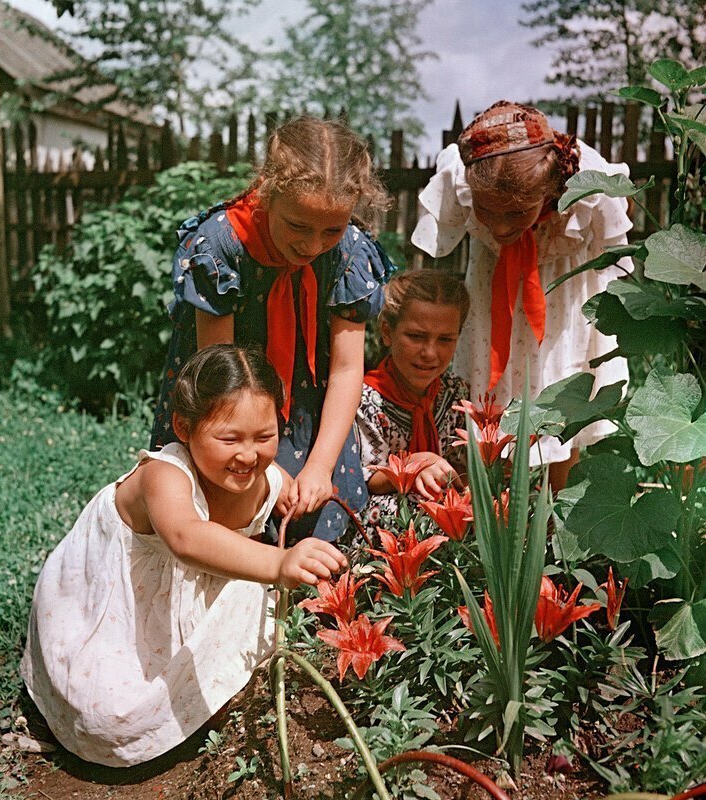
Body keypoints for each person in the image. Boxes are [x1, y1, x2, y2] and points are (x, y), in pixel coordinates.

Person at [20, 345, 347, 767]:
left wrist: (304, 494)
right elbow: (187, 538)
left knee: (269, 609)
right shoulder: (164, 475)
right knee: (108, 720)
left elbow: (283, 492)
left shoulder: (265, 477)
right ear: (184, 427)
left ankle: (201, 706)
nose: (249, 454)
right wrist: (279, 564)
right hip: (115, 614)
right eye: (229, 438)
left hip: (178, 600)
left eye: (265, 437)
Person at [150, 116, 395, 541]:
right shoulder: (223, 246)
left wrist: (319, 465)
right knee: (227, 520)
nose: (313, 245)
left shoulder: (351, 252)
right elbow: (217, 375)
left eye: (331, 230)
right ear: (267, 191)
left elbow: (345, 370)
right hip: (228, 408)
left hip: (311, 410)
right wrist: (269, 470)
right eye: (298, 226)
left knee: (318, 524)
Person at [411, 101, 631, 490]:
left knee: (562, 384)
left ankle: (553, 515)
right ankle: (487, 513)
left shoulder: (586, 182)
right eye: (486, 211)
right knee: (487, 398)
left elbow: (619, 228)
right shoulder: (460, 172)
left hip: (563, 295)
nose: (497, 226)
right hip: (492, 291)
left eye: (515, 214)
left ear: (547, 192)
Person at [356, 269, 471, 519]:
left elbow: (462, 466)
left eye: (445, 339)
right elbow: (364, 477)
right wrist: (411, 466)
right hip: (386, 524)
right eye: (416, 337)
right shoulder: (364, 402)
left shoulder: (456, 393)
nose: (430, 352)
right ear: (387, 332)